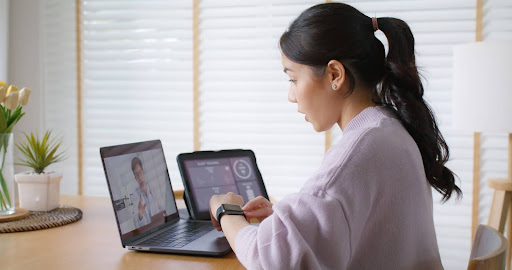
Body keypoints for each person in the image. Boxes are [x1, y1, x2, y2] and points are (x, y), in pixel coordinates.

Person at [208, 3, 461, 270]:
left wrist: (227, 212)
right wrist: (297, 227)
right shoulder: (388, 129)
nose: (291, 95)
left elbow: (271, 260)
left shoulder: (359, 151)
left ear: (335, 75)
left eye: (293, 79)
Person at [131, 157, 165, 228]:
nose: (140, 177)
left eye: (140, 172)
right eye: (136, 174)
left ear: (143, 172)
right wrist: (140, 215)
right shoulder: (135, 197)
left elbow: (163, 210)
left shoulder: (154, 189)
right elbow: (137, 227)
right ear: (135, 178)